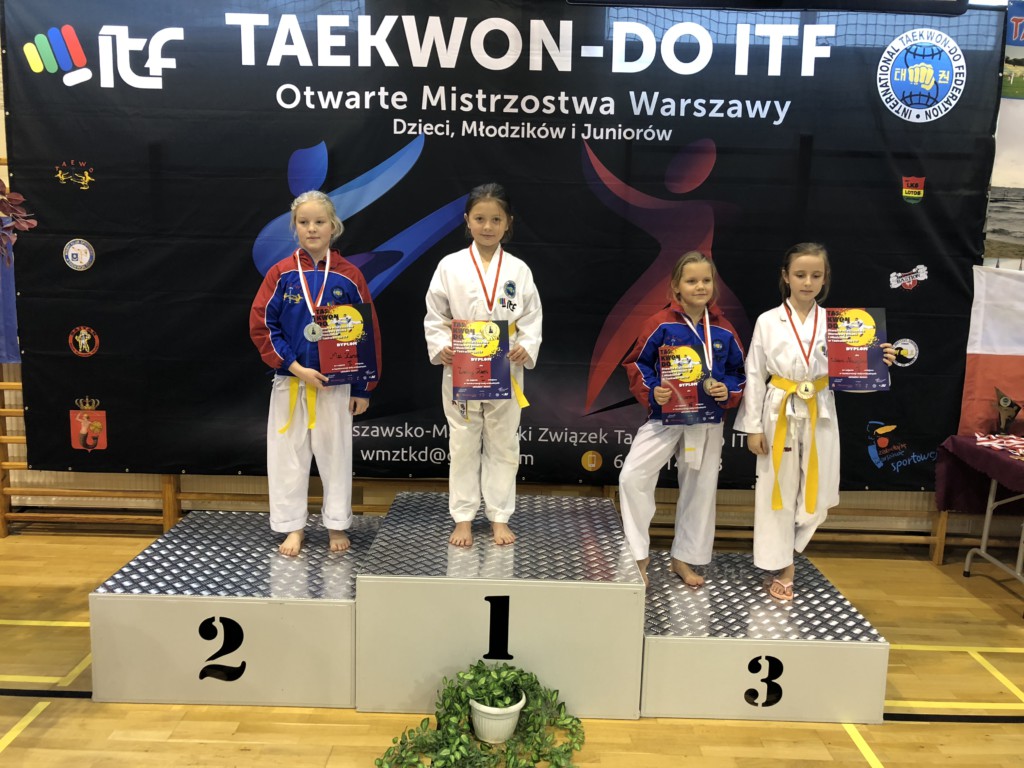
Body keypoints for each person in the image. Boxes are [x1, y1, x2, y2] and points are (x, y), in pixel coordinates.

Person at [734, 242, 895, 601]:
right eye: (800, 274)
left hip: (820, 406)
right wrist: (753, 427)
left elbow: (853, 376)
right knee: (777, 489)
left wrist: (878, 362)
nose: (807, 282)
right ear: (786, 277)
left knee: (821, 491)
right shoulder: (767, 321)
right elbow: (755, 374)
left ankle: (788, 548)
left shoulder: (841, 323)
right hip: (778, 409)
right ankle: (783, 566)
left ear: (825, 279)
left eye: (816, 275)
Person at [250, 190, 382, 557]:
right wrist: (294, 366)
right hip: (291, 381)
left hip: (335, 384)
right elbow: (263, 325)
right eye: (304, 222)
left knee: (335, 454)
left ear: (333, 226)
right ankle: (292, 526)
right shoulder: (281, 273)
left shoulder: (349, 275)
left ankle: (336, 523)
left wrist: (363, 388)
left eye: (319, 222)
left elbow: (366, 332)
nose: (312, 228)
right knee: (287, 456)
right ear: (294, 227)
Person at [424, 183, 542, 547]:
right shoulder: (450, 265)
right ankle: (462, 517)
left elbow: (532, 316)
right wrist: (441, 346)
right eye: (479, 219)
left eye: (495, 219)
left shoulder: (519, 270)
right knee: (462, 441)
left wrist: (526, 346)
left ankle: (499, 516)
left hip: (505, 365)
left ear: (508, 222)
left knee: (504, 443)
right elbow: (435, 314)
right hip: (462, 365)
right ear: (467, 221)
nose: (487, 226)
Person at [619, 251, 746, 588]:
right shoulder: (660, 323)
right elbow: (637, 364)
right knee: (632, 477)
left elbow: (740, 373)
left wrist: (727, 391)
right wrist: (653, 391)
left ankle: (684, 558)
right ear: (676, 286)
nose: (700, 286)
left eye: (706, 280)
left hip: (707, 420)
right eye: (691, 281)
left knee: (700, 489)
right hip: (666, 417)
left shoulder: (723, 329)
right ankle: (639, 555)